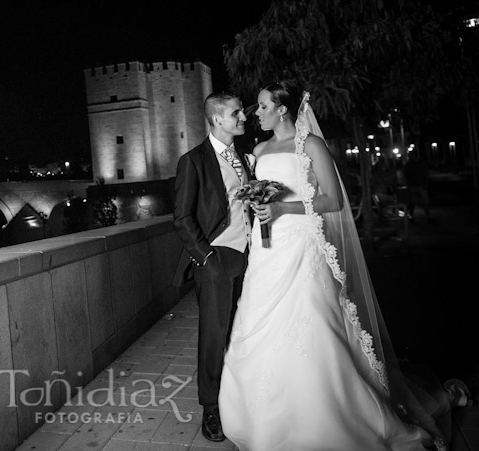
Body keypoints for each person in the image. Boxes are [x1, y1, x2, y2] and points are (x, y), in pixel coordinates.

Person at [218, 80, 458, 451]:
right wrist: (260, 207)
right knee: (256, 323)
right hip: (268, 251)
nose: (256, 112)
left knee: (314, 324)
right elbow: (260, 193)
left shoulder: (311, 145)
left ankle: (329, 417)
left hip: (302, 245)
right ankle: (263, 418)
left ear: (283, 109)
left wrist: (284, 207)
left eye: (263, 105)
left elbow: (332, 201)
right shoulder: (260, 148)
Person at [173, 91, 254, 442]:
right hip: (217, 259)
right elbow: (182, 218)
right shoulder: (193, 161)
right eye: (237, 113)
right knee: (214, 334)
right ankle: (210, 409)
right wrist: (207, 258)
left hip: (252, 258)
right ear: (218, 119)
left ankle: (241, 398)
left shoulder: (245, 158)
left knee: (245, 330)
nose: (244, 118)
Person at [403, 150, 431, 221]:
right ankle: (412, 215)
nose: (409, 157)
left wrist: (425, 183)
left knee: (424, 201)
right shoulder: (409, 165)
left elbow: (425, 174)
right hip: (414, 185)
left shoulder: (419, 164)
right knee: (413, 202)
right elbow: (406, 175)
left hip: (420, 185)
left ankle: (427, 215)